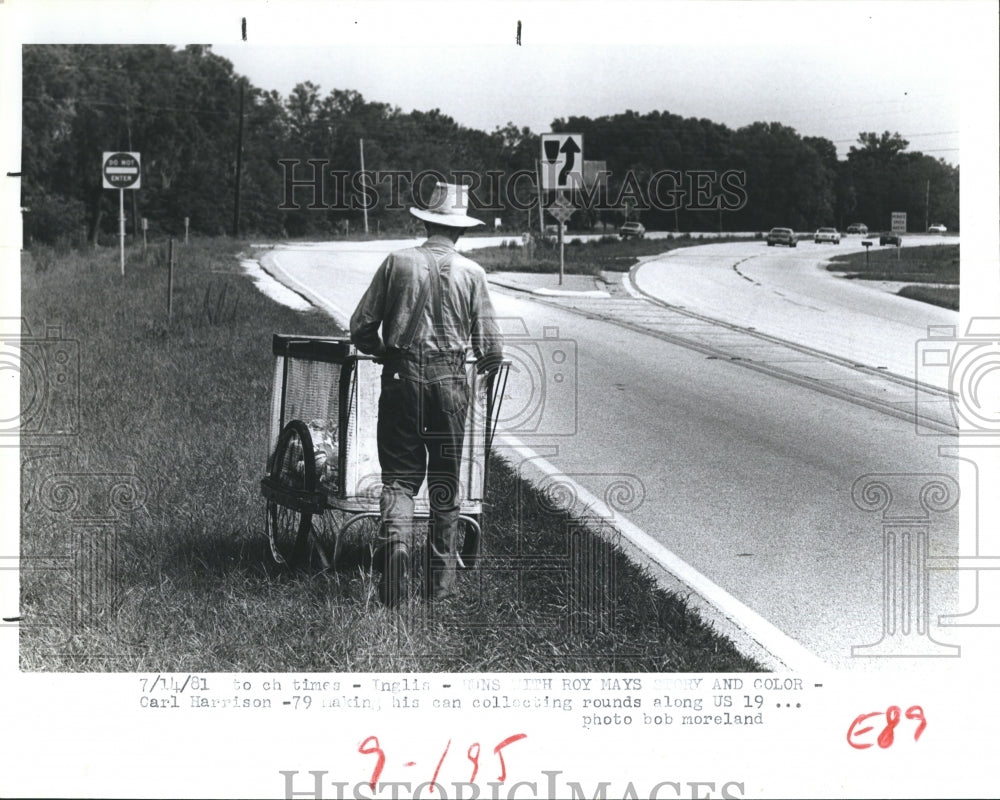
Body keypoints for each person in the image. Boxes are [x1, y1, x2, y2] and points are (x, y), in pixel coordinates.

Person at [350, 181, 504, 606]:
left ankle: (397, 547)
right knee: (445, 483)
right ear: (461, 231)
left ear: (424, 221)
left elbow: (360, 326)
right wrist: (483, 372)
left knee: (400, 478)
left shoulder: (396, 262)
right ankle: (439, 588)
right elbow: (491, 349)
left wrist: (383, 352)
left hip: (401, 379)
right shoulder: (473, 274)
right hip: (451, 384)